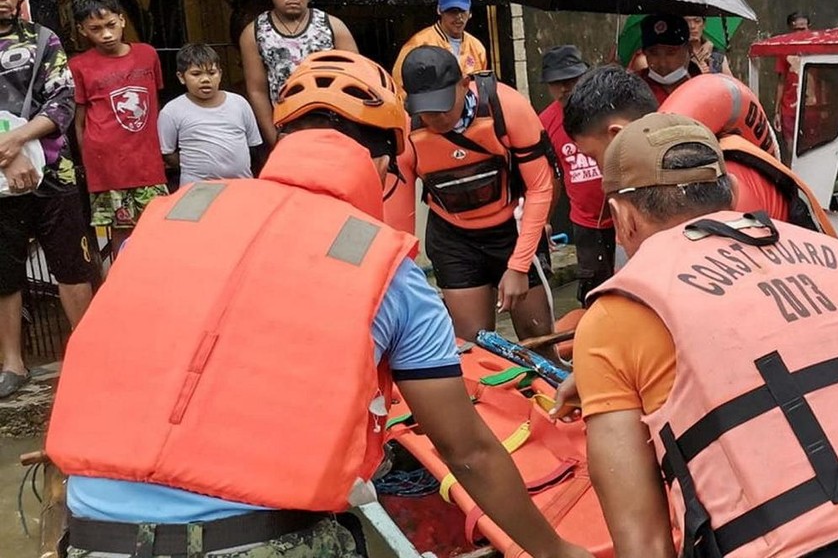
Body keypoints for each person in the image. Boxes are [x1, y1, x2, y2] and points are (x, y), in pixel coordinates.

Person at [45, 51, 592, 558]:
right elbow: (468, 453)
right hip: (253, 538)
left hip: (91, 532)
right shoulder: (389, 271)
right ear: (386, 159)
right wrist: (556, 551)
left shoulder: (167, 219)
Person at [555, 113, 838, 558]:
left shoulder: (616, 316)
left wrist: (607, 372)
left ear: (621, 216)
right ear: (729, 192)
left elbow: (644, 545)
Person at [401, 46, 557, 340]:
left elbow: (540, 187)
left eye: (443, 105)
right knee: (473, 344)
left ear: (464, 84)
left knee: (538, 336)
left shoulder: (507, 106)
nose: (436, 118)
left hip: (510, 227)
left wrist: (519, 265)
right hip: (453, 236)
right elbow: (399, 223)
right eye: (426, 109)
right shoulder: (406, 130)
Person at [564, 66, 832, 235]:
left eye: (593, 157)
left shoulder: (714, 179)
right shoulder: (691, 170)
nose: (600, 175)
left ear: (618, 135)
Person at [0, 0, 95, 399]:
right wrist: (8, 153)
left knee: (72, 265)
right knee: (5, 272)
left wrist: (18, 139)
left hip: (55, 172)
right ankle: (12, 363)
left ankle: (89, 351)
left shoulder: (43, 39)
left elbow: (60, 101)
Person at [69, 0, 168, 252]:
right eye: (96, 28)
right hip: (107, 167)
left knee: (157, 226)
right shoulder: (79, 66)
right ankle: (123, 288)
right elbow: (79, 121)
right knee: (120, 234)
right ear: (82, 31)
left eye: (111, 25)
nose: (106, 34)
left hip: (147, 162)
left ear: (122, 20)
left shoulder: (147, 55)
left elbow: (155, 105)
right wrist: (91, 164)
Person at [239, 0, 357, 147]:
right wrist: (275, 138)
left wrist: (352, 130)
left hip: (335, 126)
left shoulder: (333, 27)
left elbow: (358, 80)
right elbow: (257, 90)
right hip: (287, 128)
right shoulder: (254, 33)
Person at [538, 45, 613, 303]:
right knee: (593, 292)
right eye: (556, 83)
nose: (564, 88)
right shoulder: (545, 122)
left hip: (623, 213)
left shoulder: (608, 108)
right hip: (585, 222)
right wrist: (544, 219)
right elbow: (551, 174)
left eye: (571, 80)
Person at [157, 43, 263, 186]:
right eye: (196, 74)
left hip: (240, 186)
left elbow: (253, 145)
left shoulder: (239, 103)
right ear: (181, 77)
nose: (205, 79)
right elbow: (167, 153)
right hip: (196, 189)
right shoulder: (172, 111)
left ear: (220, 74)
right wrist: (194, 168)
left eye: (211, 73)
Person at [391, 0, 490, 97]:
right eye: (452, 11)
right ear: (439, 10)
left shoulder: (477, 47)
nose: (458, 17)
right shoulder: (419, 44)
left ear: (470, 13)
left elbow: (481, 89)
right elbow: (399, 86)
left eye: (463, 11)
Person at [773, 11, 813, 156]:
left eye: (803, 29)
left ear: (809, 27)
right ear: (791, 29)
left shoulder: (817, 47)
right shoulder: (784, 48)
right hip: (789, 107)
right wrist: (777, 111)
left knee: (811, 147)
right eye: (796, 30)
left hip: (811, 106)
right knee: (790, 148)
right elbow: (781, 82)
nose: (800, 33)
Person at [635, 14, 699, 104]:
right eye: (654, 53)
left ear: (689, 49)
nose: (662, 63)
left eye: (671, 53)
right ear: (645, 52)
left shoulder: (703, 89)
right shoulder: (632, 90)